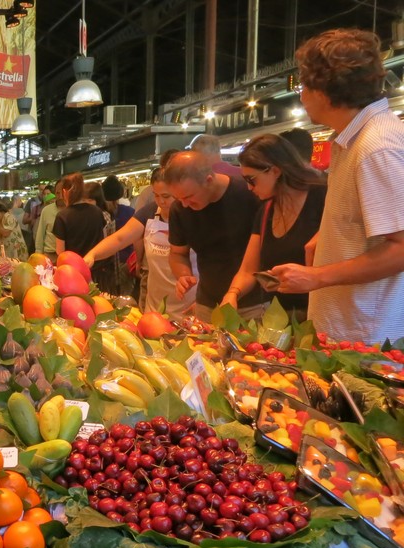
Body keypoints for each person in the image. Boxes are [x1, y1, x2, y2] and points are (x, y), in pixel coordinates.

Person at [271, 29, 404, 344]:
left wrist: (317, 276)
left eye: (304, 86)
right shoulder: (355, 140)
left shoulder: (376, 146)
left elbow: (402, 247)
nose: (301, 96)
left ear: (324, 90)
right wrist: (331, 235)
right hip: (350, 330)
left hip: (369, 340)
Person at [220, 134, 326, 319]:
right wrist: (232, 294)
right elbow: (247, 270)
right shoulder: (266, 210)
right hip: (279, 320)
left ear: (275, 171)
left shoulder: (323, 198)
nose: (249, 187)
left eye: (251, 179)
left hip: (322, 317)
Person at [84, 167, 197, 319]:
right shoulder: (149, 212)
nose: (161, 201)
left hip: (191, 302)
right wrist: (93, 254)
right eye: (156, 195)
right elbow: (120, 238)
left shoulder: (195, 215)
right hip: (156, 306)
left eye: (166, 196)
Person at [165, 151, 263, 320]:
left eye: (189, 196)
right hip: (208, 304)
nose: (185, 204)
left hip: (254, 304)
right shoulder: (179, 208)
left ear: (209, 180)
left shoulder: (249, 194)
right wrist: (183, 275)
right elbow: (177, 253)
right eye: (178, 198)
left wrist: (233, 293)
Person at [53, 173, 116, 291]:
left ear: (66, 192)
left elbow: (60, 252)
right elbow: (102, 239)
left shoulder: (62, 216)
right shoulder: (97, 211)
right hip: (98, 272)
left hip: (74, 275)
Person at [34, 180, 64, 262]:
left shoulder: (72, 210)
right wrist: (38, 255)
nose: (60, 196)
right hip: (49, 255)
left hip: (67, 255)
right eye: (58, 193)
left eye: (63, 193)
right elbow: (40, 235)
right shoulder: (46, 210)